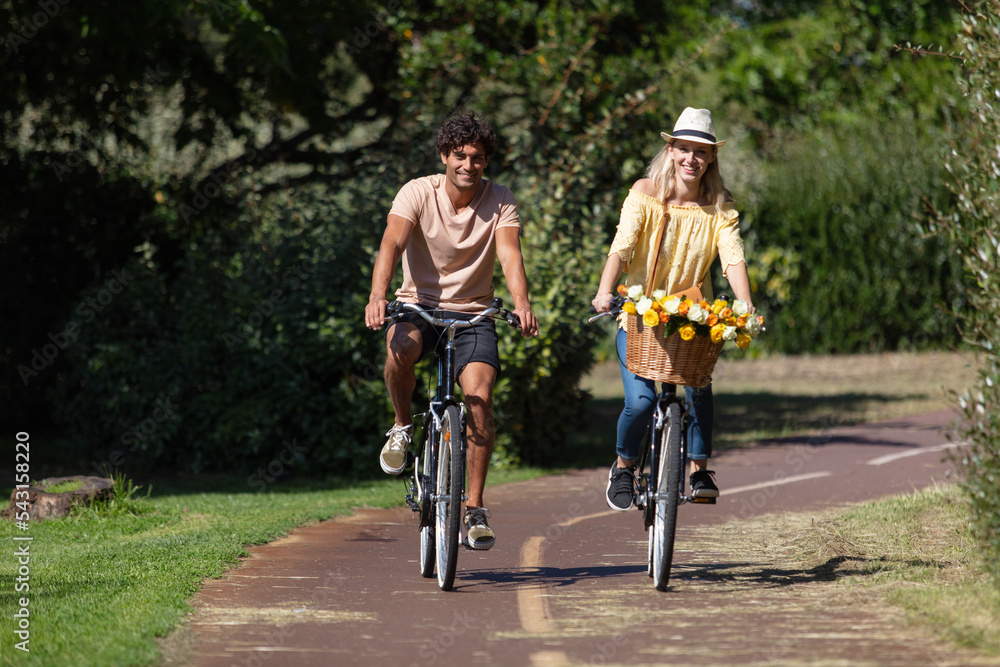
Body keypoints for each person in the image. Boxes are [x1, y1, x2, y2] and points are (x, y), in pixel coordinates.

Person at [364, 111, 539, 550]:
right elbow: (392, 242)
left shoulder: (500, 200)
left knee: (479, 398)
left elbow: (510, 255)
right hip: (417, 305)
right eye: (459, 155)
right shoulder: (418, 193)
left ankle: (474, 508)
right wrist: (378, 294)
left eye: (477, 157)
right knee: (400, 350)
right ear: (444, 155)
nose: (468, 165)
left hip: (475, 313)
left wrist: (521, 304)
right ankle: (403, 425)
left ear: (487, 161)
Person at [591, 107, 754, 512]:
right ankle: (624, 466)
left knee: (699, 384)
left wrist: (745, 303)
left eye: (700, 151)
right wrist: (604, 290)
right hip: (640, 316)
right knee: (641, 403)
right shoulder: (646, 192)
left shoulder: (719, 205)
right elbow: (622, 245)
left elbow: (732, 257)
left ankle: (698, 469)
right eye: (683, 149)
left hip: (689, 318)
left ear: (711, 157)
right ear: (670, 150)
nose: (691, 159)